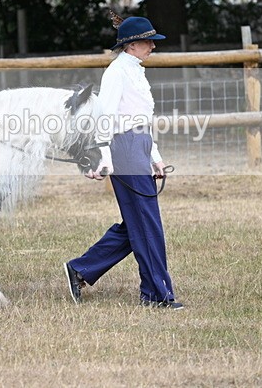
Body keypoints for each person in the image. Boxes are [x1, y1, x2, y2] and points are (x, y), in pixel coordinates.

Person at [63, 16, 183, 310]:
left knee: (138, 223)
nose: (152, 46)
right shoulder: (117, 72)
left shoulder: (135, 71)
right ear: (131, 46)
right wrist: (105, 154)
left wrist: (154, 156)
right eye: (147, 41)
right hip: (124, 148)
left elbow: (140, 120)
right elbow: (106, 116)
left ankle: (82, 268)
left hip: (138, 145)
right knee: (146, 224)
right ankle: (156, 293)